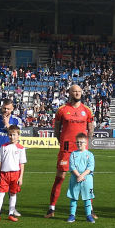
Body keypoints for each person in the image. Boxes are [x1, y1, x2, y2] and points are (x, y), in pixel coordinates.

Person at [46, 85, 95, 219]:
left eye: (80, 91)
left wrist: (85, 146)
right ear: (70, 93)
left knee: (85, 180)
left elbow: (91, 130)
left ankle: (90, 210)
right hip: (66, 150)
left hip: (81, 150)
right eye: (75, 91)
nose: (78, 93)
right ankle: (51, 208)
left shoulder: (87, 110)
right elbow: (57, 131)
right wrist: (62, 143)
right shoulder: (62, 110)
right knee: (60, 178)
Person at [0, 125, 26, 222]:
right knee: (1, 194)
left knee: (13, 194)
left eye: (14, 135)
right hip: (4, 174)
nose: (12, 137)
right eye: (10, 135)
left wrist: (21, 177)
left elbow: (22, 164)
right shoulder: (3, 147)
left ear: (18, 135)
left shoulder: (21, 148)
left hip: (15, 174)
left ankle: (10, 213)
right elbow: (0, 161)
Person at [66, 133, 96, 223]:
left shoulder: (90, 154)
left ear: (86, 143)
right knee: (74, 197)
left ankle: (88, 215)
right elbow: (72, 166)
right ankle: (72, 215)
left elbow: (90, 167)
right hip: (75, 178)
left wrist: (82, 176)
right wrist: (78, 175)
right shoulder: (73, 154)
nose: (79, 144)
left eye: (81, 142)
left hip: (87, 179)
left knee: (87, 197)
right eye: (77, 142)